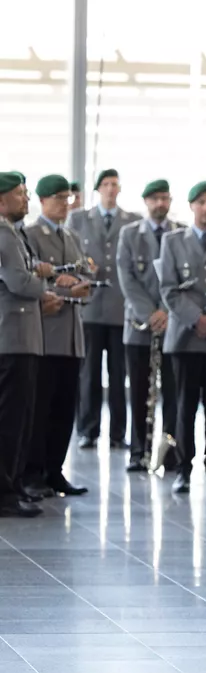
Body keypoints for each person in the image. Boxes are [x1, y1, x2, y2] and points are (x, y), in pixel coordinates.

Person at [159, 180, 206, 495]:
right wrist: (196, 319)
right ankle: (182, 467)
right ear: (192, 206)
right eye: (202, 202)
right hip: (185, 339)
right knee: (183, 406)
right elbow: (168, 289)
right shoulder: (173, 241)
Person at [23, 175, 92, 498]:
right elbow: (30, 279)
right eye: (59, 198)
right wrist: (62, 288)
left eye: (68, 198)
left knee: (65, 408)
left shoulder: (72, 236)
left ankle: (54, 470)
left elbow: (84, 275)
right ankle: (33, 472)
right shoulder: (31, 234)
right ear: (43, 200)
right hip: (45, 335)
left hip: (71, 337)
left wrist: (79, 286)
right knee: (41, 408)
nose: (66, 204)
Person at [70, 168, 138, 450]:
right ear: (98, 189)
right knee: (89, 373)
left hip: (120, 308)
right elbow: (70, 255)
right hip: (90, 307)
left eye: (115, 184)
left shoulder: (131, 221)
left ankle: (118, 432)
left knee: (118, 373)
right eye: (106, 184)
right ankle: (88, 429)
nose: (111, 188)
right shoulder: (79, 218)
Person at [0, 172, 53, 517]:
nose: (26, 200)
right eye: (20, 194)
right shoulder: (3, 234)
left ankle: (14, 483)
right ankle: (4, 491)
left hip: (24, 336)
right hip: (11, 337)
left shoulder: (13, 233)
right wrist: (44, 284)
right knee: (10, 418)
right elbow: (19, 280)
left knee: (23, 417)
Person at [118, 179, 180, 473]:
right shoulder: (130, 234)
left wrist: (168, 312)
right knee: (139, 392)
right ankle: (137, 451)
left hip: (173, 327)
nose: (160, 203)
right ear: (146, 202)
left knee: (172, 391)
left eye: (164, 198)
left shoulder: (179, 233)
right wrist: (151, 314)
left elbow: (181, 283)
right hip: (139, 326)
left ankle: (170, 453)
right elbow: (127, 279)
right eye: (154, 198)